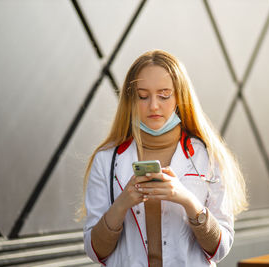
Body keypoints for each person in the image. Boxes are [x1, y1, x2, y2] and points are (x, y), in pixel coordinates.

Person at [78, 49, 248, 267]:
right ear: (131, 98)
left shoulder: (208, 156)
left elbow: (220, 249)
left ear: (179, 96)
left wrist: (186, 200)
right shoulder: (106, 160)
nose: (153, 106)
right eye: (143, 96)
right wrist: (122, 204)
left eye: (164, 95)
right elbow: (95, 251)